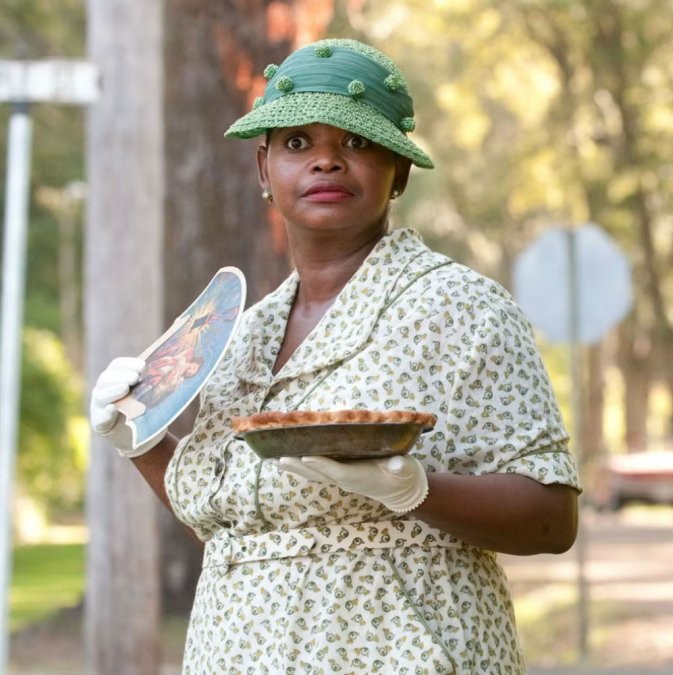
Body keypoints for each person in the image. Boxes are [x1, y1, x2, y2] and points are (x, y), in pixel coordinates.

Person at [89, 38, 580, 673]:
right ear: (264, 170)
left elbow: (551, 519)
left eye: (356, 142)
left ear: (398, 171)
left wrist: (413, 489)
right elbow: (240, 528)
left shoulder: (460, 308)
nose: (326, 162)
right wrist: (140, 440)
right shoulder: (239, 334)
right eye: (298, 144)